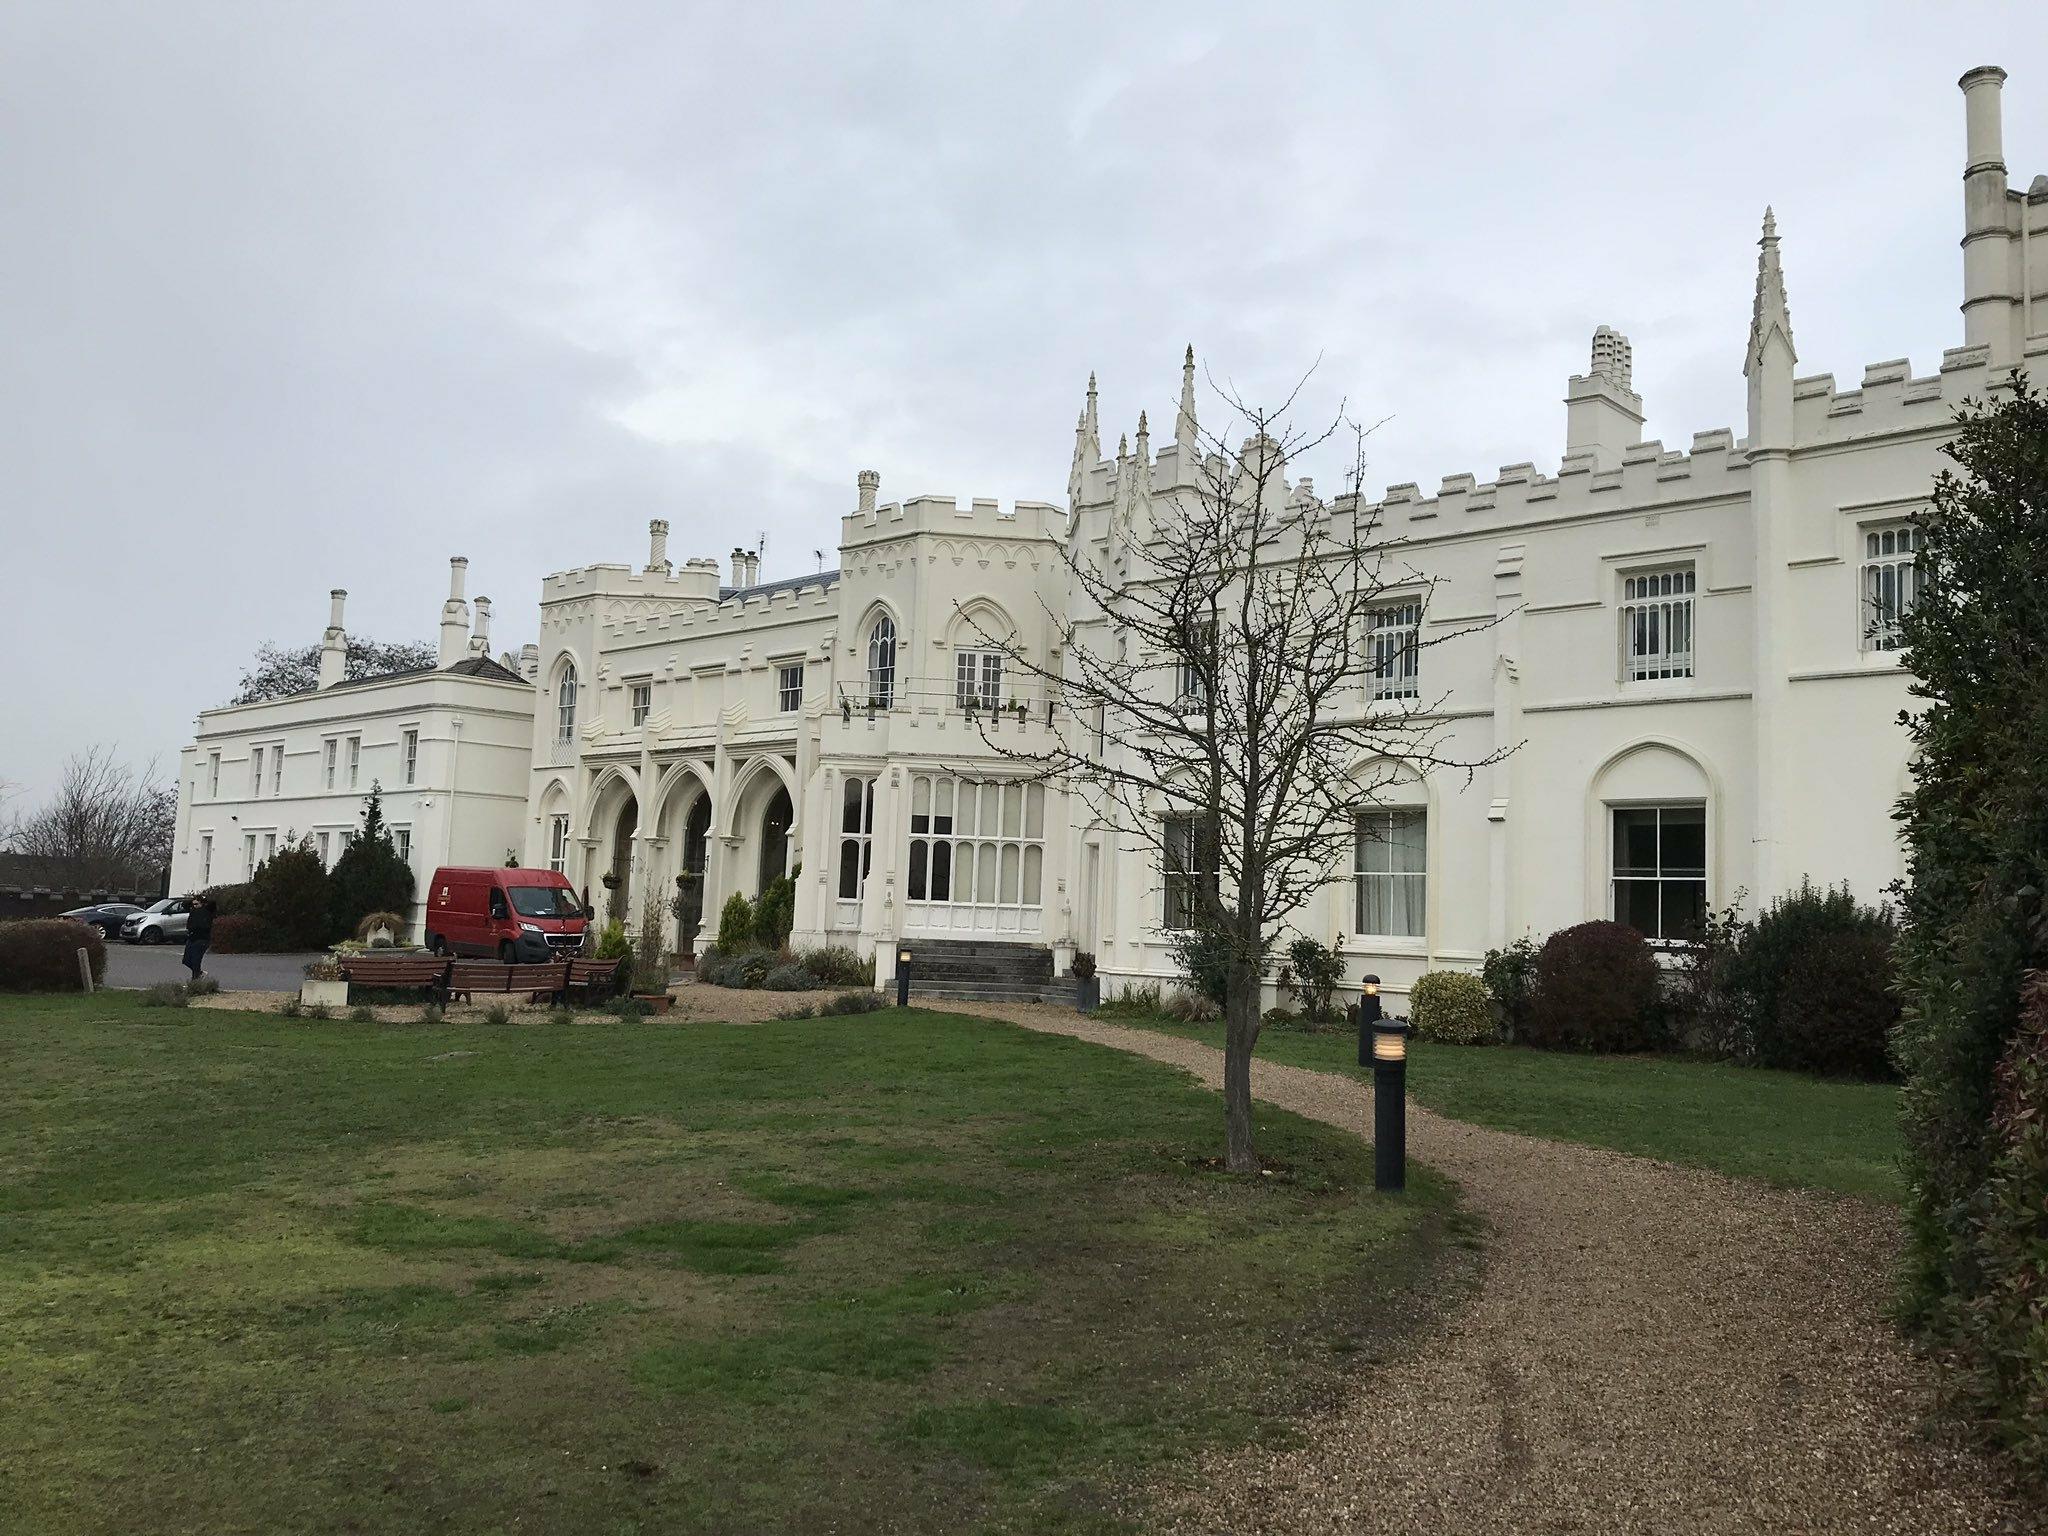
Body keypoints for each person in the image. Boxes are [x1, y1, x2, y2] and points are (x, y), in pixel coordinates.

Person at [182, 894, 215, 984]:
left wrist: (203, 899)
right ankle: (199, 973)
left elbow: (213, 903)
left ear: (202, 904)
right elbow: (184, 904)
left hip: (202, 939)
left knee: (196, 960)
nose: (194, 906)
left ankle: (195, 981)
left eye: (197, 904)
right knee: (186, 960)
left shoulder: (208, 911)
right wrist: (194, 899)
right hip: (192, 938)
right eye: (193, 904)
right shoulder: (192, 911)